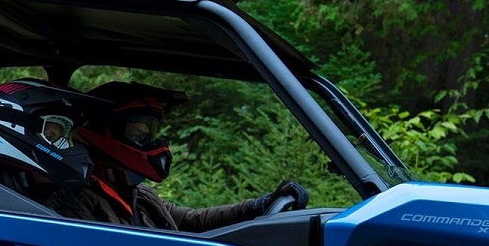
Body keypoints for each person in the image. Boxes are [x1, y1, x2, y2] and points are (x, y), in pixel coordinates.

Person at [45, 81, 307, 230]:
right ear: (102, 131)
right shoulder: (75, 200)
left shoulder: (139, 195)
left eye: (149, 133)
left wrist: (257, 206)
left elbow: (192, 220)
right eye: (137, 133)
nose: (147, 143)